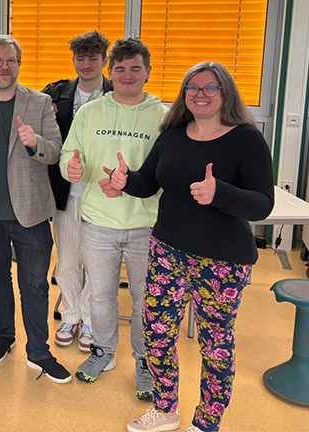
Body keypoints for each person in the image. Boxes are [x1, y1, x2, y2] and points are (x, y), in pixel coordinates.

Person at [115, 63, 274, 432]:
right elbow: (148, 182)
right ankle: (165, 410)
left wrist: (221, 193)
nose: (200, 94)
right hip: (167, 251)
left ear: (226, 93)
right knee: (156, 334)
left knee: (215, 346)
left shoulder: (247, 139)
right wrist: (125, 180)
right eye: (193, 87)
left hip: (222, 262)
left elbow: (263, 204)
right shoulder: (172, 134)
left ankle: (206, 424)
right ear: (184, 93)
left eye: (210, 88)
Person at [58, 37, 168, 400]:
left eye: (136, 68)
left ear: (148, 72)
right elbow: (69, 154)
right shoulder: (90, 113)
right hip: (97, 223)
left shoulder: (164, 117)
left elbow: (169, 170)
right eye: (120, 68)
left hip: (145, 226)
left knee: (144, 300)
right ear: (111, 71)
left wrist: (130, 183)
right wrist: (72, 168)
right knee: (101, 296)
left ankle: (145, 362)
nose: (127, 74)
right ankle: (103, 351)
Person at [0, 35, 69, 383]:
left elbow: (56, 150)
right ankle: (4, 336)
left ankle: (39, 351)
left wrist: (36, 144)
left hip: (31, 213)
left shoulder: (40, 102)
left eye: (11, 61)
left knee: (35, 285)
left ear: (19, 64)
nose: (4, 67)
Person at [41, 30, 113, 351]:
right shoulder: (56, 92)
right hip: (65, 191)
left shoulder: (116, 93)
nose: (85, 64)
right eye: (80, 58)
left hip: (104, 193)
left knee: (97, 263)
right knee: (67, 259)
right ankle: (70, 314)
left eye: (92, 58)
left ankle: (90, 318)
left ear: (104, 60)